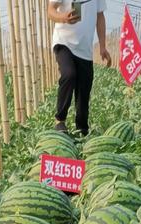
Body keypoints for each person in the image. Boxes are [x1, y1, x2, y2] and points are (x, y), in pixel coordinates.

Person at [47, 0, 111, 138]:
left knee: (84, 90)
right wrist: (63, 17)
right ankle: (60, 120)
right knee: (69, 74)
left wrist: (103, 46)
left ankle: (82, 131)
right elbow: (51, 10)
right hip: (64, 42)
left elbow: (100, 16)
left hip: (85, 49)